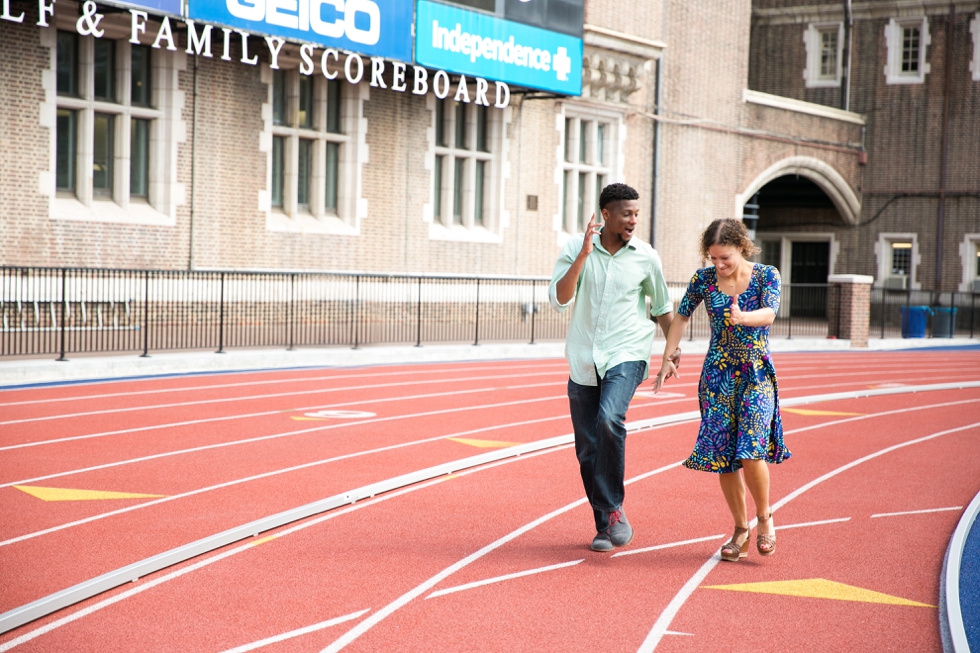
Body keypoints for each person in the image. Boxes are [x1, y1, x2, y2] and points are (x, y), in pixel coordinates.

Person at [549, 183, 679, 552]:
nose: (634, 220)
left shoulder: (646, 257)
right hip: (583, 358)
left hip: (627, 353)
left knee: (609, 420)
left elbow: (661, 308)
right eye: (627, 213)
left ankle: (613, 511)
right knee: (588, 448)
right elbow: (560, 298)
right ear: (606, 214)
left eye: (637, 213)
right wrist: (584, 256)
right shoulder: (576, 248)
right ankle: (605, 522)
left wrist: (671, 350)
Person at [654, 218, 791, 561]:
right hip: (717, 376)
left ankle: (764, 519)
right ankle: (740, 529)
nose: (719, 265)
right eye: (713, 258)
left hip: (756, 373)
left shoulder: (766, 275)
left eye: (725, 258)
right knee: (724, 457)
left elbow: (770, 313)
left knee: (750, 451)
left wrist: (744, 318)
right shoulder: (704, 279)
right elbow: (682, 315)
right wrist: (668, 356)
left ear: (742, 248)